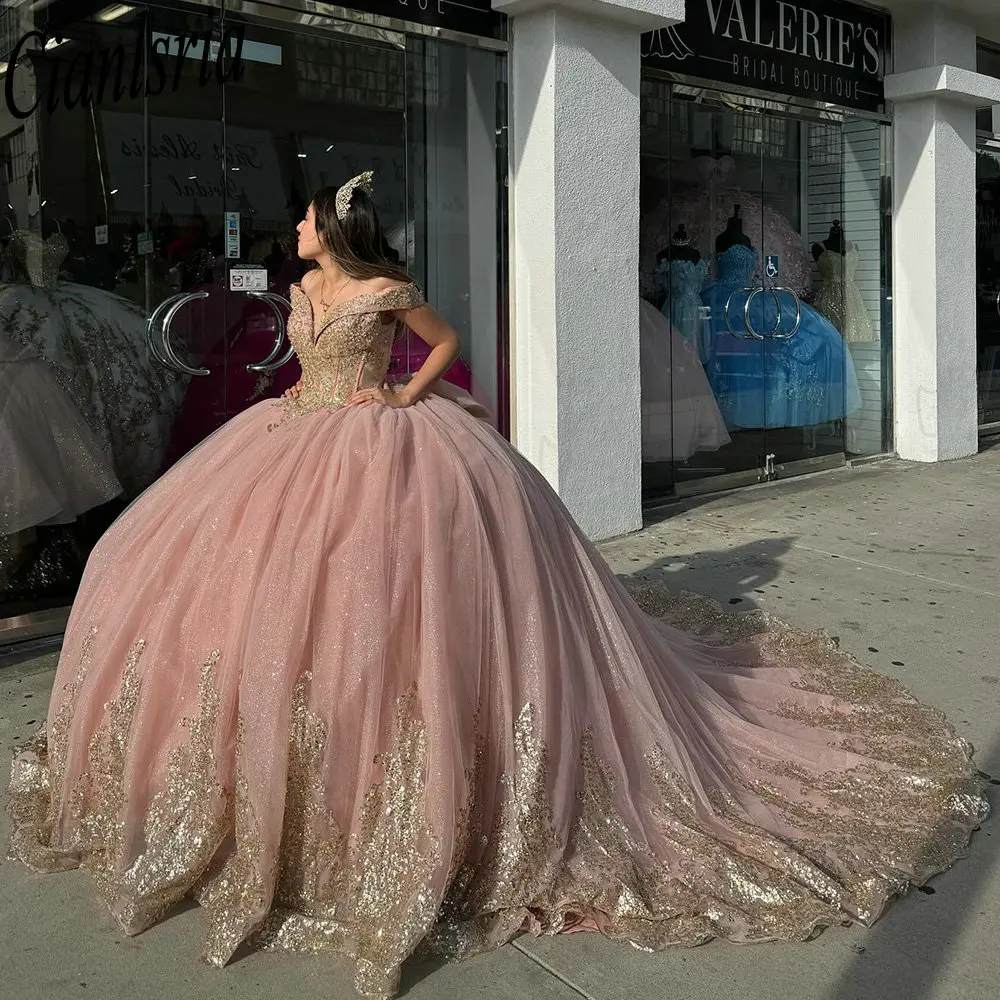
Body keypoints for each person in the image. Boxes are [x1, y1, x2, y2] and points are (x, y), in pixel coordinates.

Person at [7, 172, 988, 1000]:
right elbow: (298, 373)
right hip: (295, 445)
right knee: (214, 583)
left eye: (305, 219)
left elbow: (434, 345)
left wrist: (403, 391)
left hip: (392, 446)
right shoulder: (301, 293)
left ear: (332, 227)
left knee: (417, 605)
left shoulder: (380, 289)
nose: (295, 229)